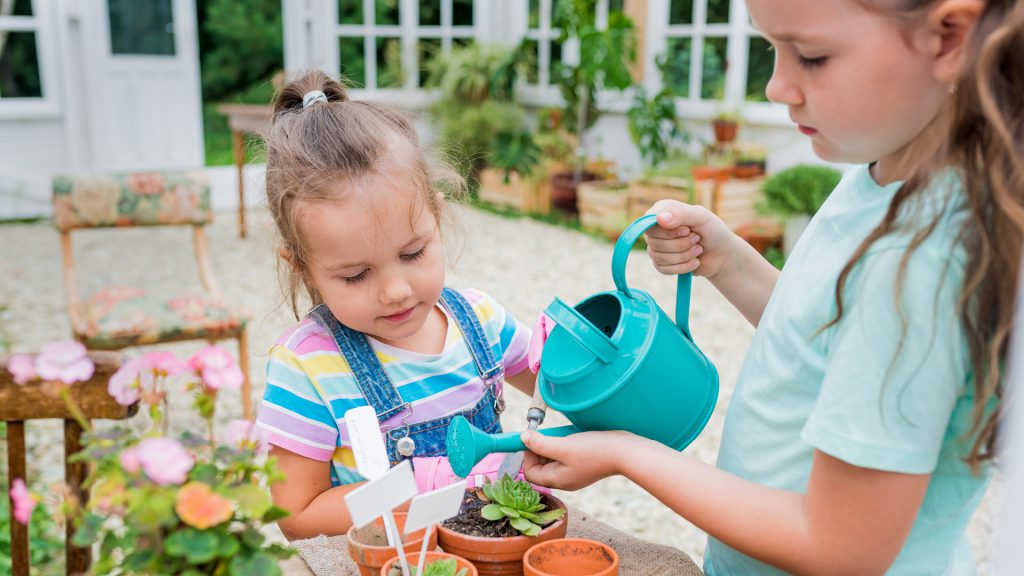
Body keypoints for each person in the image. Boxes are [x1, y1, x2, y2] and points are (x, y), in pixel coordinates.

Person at [521, 0, 1023, 573]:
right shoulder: (888, 172)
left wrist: (625, 453)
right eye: (770, 48)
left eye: (811, 56)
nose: (777, 87)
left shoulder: (920, 262)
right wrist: (728, 261)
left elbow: (838, 546)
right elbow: (824, 337)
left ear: (949, 39)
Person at [254, 71, 535, 540]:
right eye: (356, 275)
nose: (396, 291)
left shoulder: (481, 322)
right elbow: (296, 516)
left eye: (412, 254)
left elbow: (558, 388)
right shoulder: (308, 367)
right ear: (303, 267)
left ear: (437, 217)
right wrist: (416, 488)